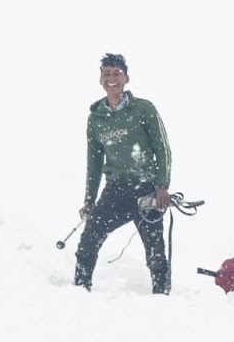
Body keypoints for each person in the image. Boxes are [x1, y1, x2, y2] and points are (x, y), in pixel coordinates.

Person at [74, 53, 172, 295]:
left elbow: (162, 148)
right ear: (100, 80)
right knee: (89, 240)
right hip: (115, 190)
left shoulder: (143, 109)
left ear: (126, 78)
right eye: (106, 74)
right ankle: (78, 291)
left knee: (155, 250)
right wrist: (89, 201)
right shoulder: (96, 119)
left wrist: (162, 186)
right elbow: (94, 163)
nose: (111, 78)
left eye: (116, 73)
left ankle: (162, 297)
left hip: (146, 189)